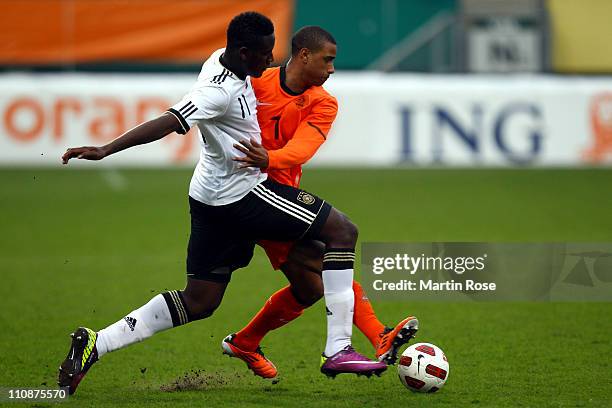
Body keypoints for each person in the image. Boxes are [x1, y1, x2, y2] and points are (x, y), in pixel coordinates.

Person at [57, 11, 386, 395]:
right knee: (343, 231)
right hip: (245, 194)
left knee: (199, 301)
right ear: (244, 52)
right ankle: (338, 348)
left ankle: (96, 343)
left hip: (208, 197)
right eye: (265, 54)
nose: (270, 61)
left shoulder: (221, 58)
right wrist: (107, 148)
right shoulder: (219, 92)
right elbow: (170, 121)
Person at [220, 26, 418, 379]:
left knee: (310, 288)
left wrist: (270, 158)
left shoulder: (323, 101)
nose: (332, 69)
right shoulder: (254, 84)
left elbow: (304, 148)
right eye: (328, 59)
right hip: (248, 195)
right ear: (304, 55)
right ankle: (378, 336)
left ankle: (245, 342)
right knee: (334, 248)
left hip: (279, 194)